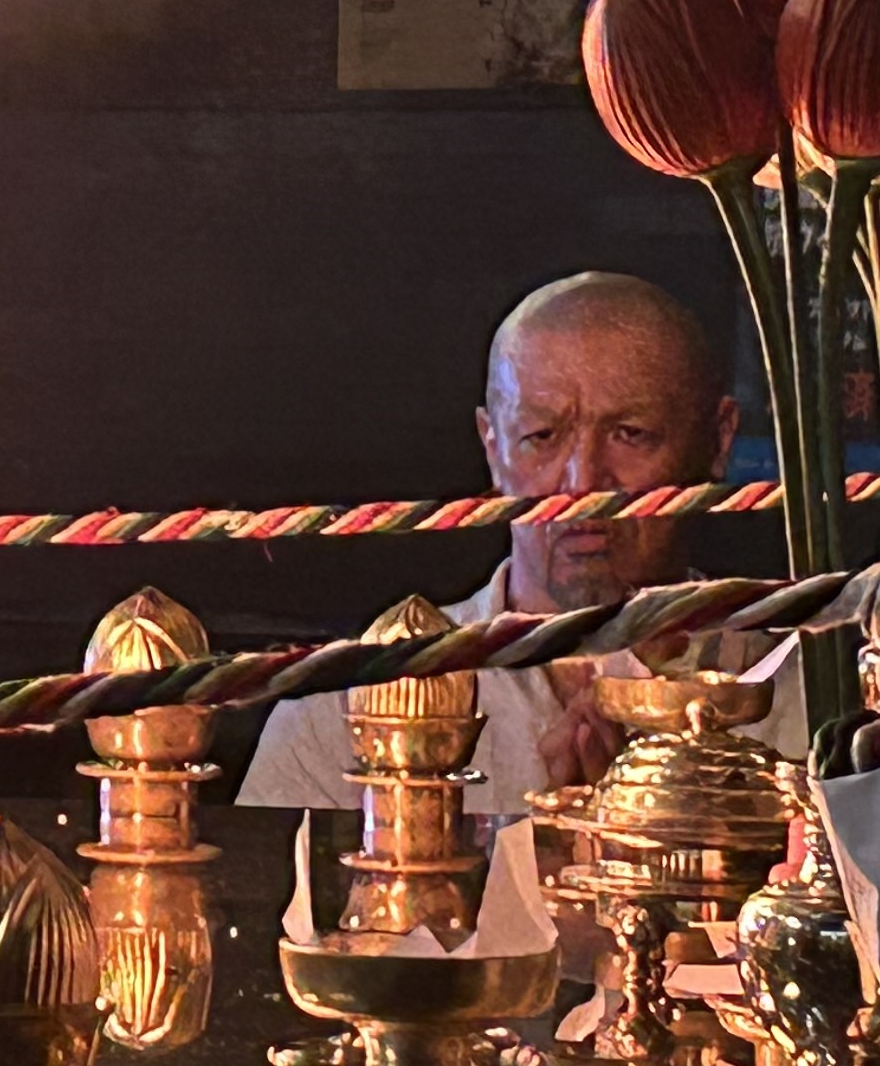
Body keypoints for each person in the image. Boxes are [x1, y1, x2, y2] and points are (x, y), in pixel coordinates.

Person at [240, 270, 764, 812]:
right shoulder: (345, 709)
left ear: (717, 439)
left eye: (630, 433)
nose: (582, 483)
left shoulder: (790, 696)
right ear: (493, 447)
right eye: (541, 437)